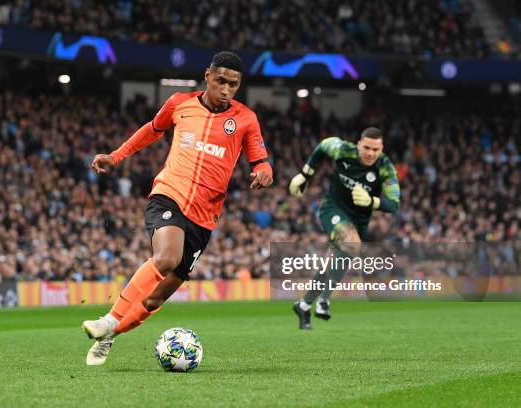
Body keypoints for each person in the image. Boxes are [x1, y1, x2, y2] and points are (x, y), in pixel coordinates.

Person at [81, 51, 273, 365]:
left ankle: (110, 336)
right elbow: (151, 130)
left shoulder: (246, 119)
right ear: (208, 75)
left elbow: (261, 161)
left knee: (157, 296)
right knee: (166, 258)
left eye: (233, 85)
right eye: (221, 81)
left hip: (204, 216)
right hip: (169, 194)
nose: (225, 89)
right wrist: (115, 156)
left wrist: (265, 173)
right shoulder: (179, 103)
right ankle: (109, 318)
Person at [289, 127, 400, 329]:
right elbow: (323, 146)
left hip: (358, 221)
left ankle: (304, 305)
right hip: (333, 209)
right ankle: (324, 300)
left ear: (381, 148)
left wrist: (372, 201)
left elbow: (394, 204)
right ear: (358, 144)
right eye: (366, 147)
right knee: (352, 243)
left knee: (331, 263)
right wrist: (305, 174)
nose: (370, 153)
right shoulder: (343, 150)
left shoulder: (385, 167)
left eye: (375, 149)